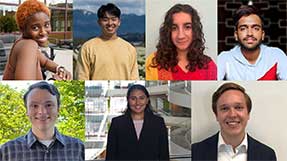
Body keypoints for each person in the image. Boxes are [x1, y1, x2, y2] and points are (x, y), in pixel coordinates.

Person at [0, 81, 84, 161]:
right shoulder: (7, 151)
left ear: (58, 109)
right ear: (27, 111)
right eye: (35, 106)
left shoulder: (79, 148)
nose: (42, 112)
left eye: (48, 105)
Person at [192, 82, 277, 161]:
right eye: (224, 108)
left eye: (238, 107)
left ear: (248, 113)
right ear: (216, 115)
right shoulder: (195, 152)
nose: (232, 114)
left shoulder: (267, 155)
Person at [2, 0, 71, 80]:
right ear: (22, 29)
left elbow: (45, 62)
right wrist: (54, 81)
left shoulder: (27, 43)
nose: (43, 32)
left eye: (46, 25)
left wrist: (59, 69)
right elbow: (26, 85)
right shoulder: (28, 46)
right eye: (35, 27)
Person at [145, 4, 217, 80]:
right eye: (174, 28)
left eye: (187, 27)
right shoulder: (154, 62)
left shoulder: (209, 66)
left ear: (195, 30)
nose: (180, 35)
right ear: (168, 32)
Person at [218, 5, 287, 80]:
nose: (250, 33)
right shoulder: (225, 58)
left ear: (263, 34)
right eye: (243, 28)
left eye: (256, 28)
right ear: (236, 35)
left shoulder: (276, 55)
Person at [76, 3, 139, 80]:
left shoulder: (130, 49)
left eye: (113, 19)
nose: (110, 23)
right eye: (105, 20)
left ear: (119, 22)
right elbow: (81, 77)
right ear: (99, 22)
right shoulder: (87, 48)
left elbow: (134, 78)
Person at [106, 84, 169, 160]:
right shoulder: (117, 123)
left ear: (147, 100)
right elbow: (110, 155)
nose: (137, 103)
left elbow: (164, 155)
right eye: (133, 98)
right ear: (128, 100)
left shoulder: (158, 123)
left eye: (141, 98)